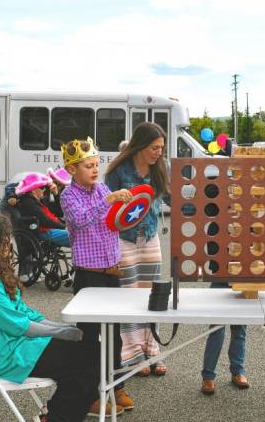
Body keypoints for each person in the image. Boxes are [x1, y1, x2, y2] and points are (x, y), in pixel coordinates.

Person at [0, 213, 97, 422]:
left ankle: (61, 412)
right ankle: (61, 414)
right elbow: (16, 324)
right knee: (90, 358)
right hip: (5, 353)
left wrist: (59, 328)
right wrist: (61, 332)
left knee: (90, 355)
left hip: (15, 344)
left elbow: (23, 312)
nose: (8, 245)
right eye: (4, 240)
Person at [59, 137, 134, 416]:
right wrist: (108, 200)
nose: (94, 170)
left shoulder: (102, 188)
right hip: (88, 277)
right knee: (90, 338)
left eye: (96, 164)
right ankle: (89, 395)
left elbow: (116, 220)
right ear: (72, 170)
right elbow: (81, 220)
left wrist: (129, 206)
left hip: (111, 272)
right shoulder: (68, 195)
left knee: (115, 335)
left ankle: (116, 387)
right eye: (88, 166)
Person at [105, 122, 169, 376]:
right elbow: (107, 205)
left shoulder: (160, 169)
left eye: (161, 148)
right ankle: (132, 355)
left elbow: (171, 198)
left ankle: (152, 351)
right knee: (129, 296)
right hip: (125, 239)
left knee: (152, 295)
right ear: (141, 145)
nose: (159, 153)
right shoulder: (118, 170)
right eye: (155, 147)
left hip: (150, 237)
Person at [200, 222, 248, 396]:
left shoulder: (249, 215)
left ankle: (238, 371)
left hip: (243, 274)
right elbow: (212, 244)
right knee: (217, 328)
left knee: (240, 328)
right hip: (221, 275)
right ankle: (208, 375)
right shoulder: (217, 216)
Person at [16, 173, 69, 247]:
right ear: (33, 190)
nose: (44, 190)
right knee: (74, 236)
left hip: (47, 228)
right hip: (44, 231)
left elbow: (59, 212)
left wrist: (56, 194)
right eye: (42, 187)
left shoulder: (37, 200)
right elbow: (45, 220)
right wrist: (62, 226)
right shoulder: (29, 203)